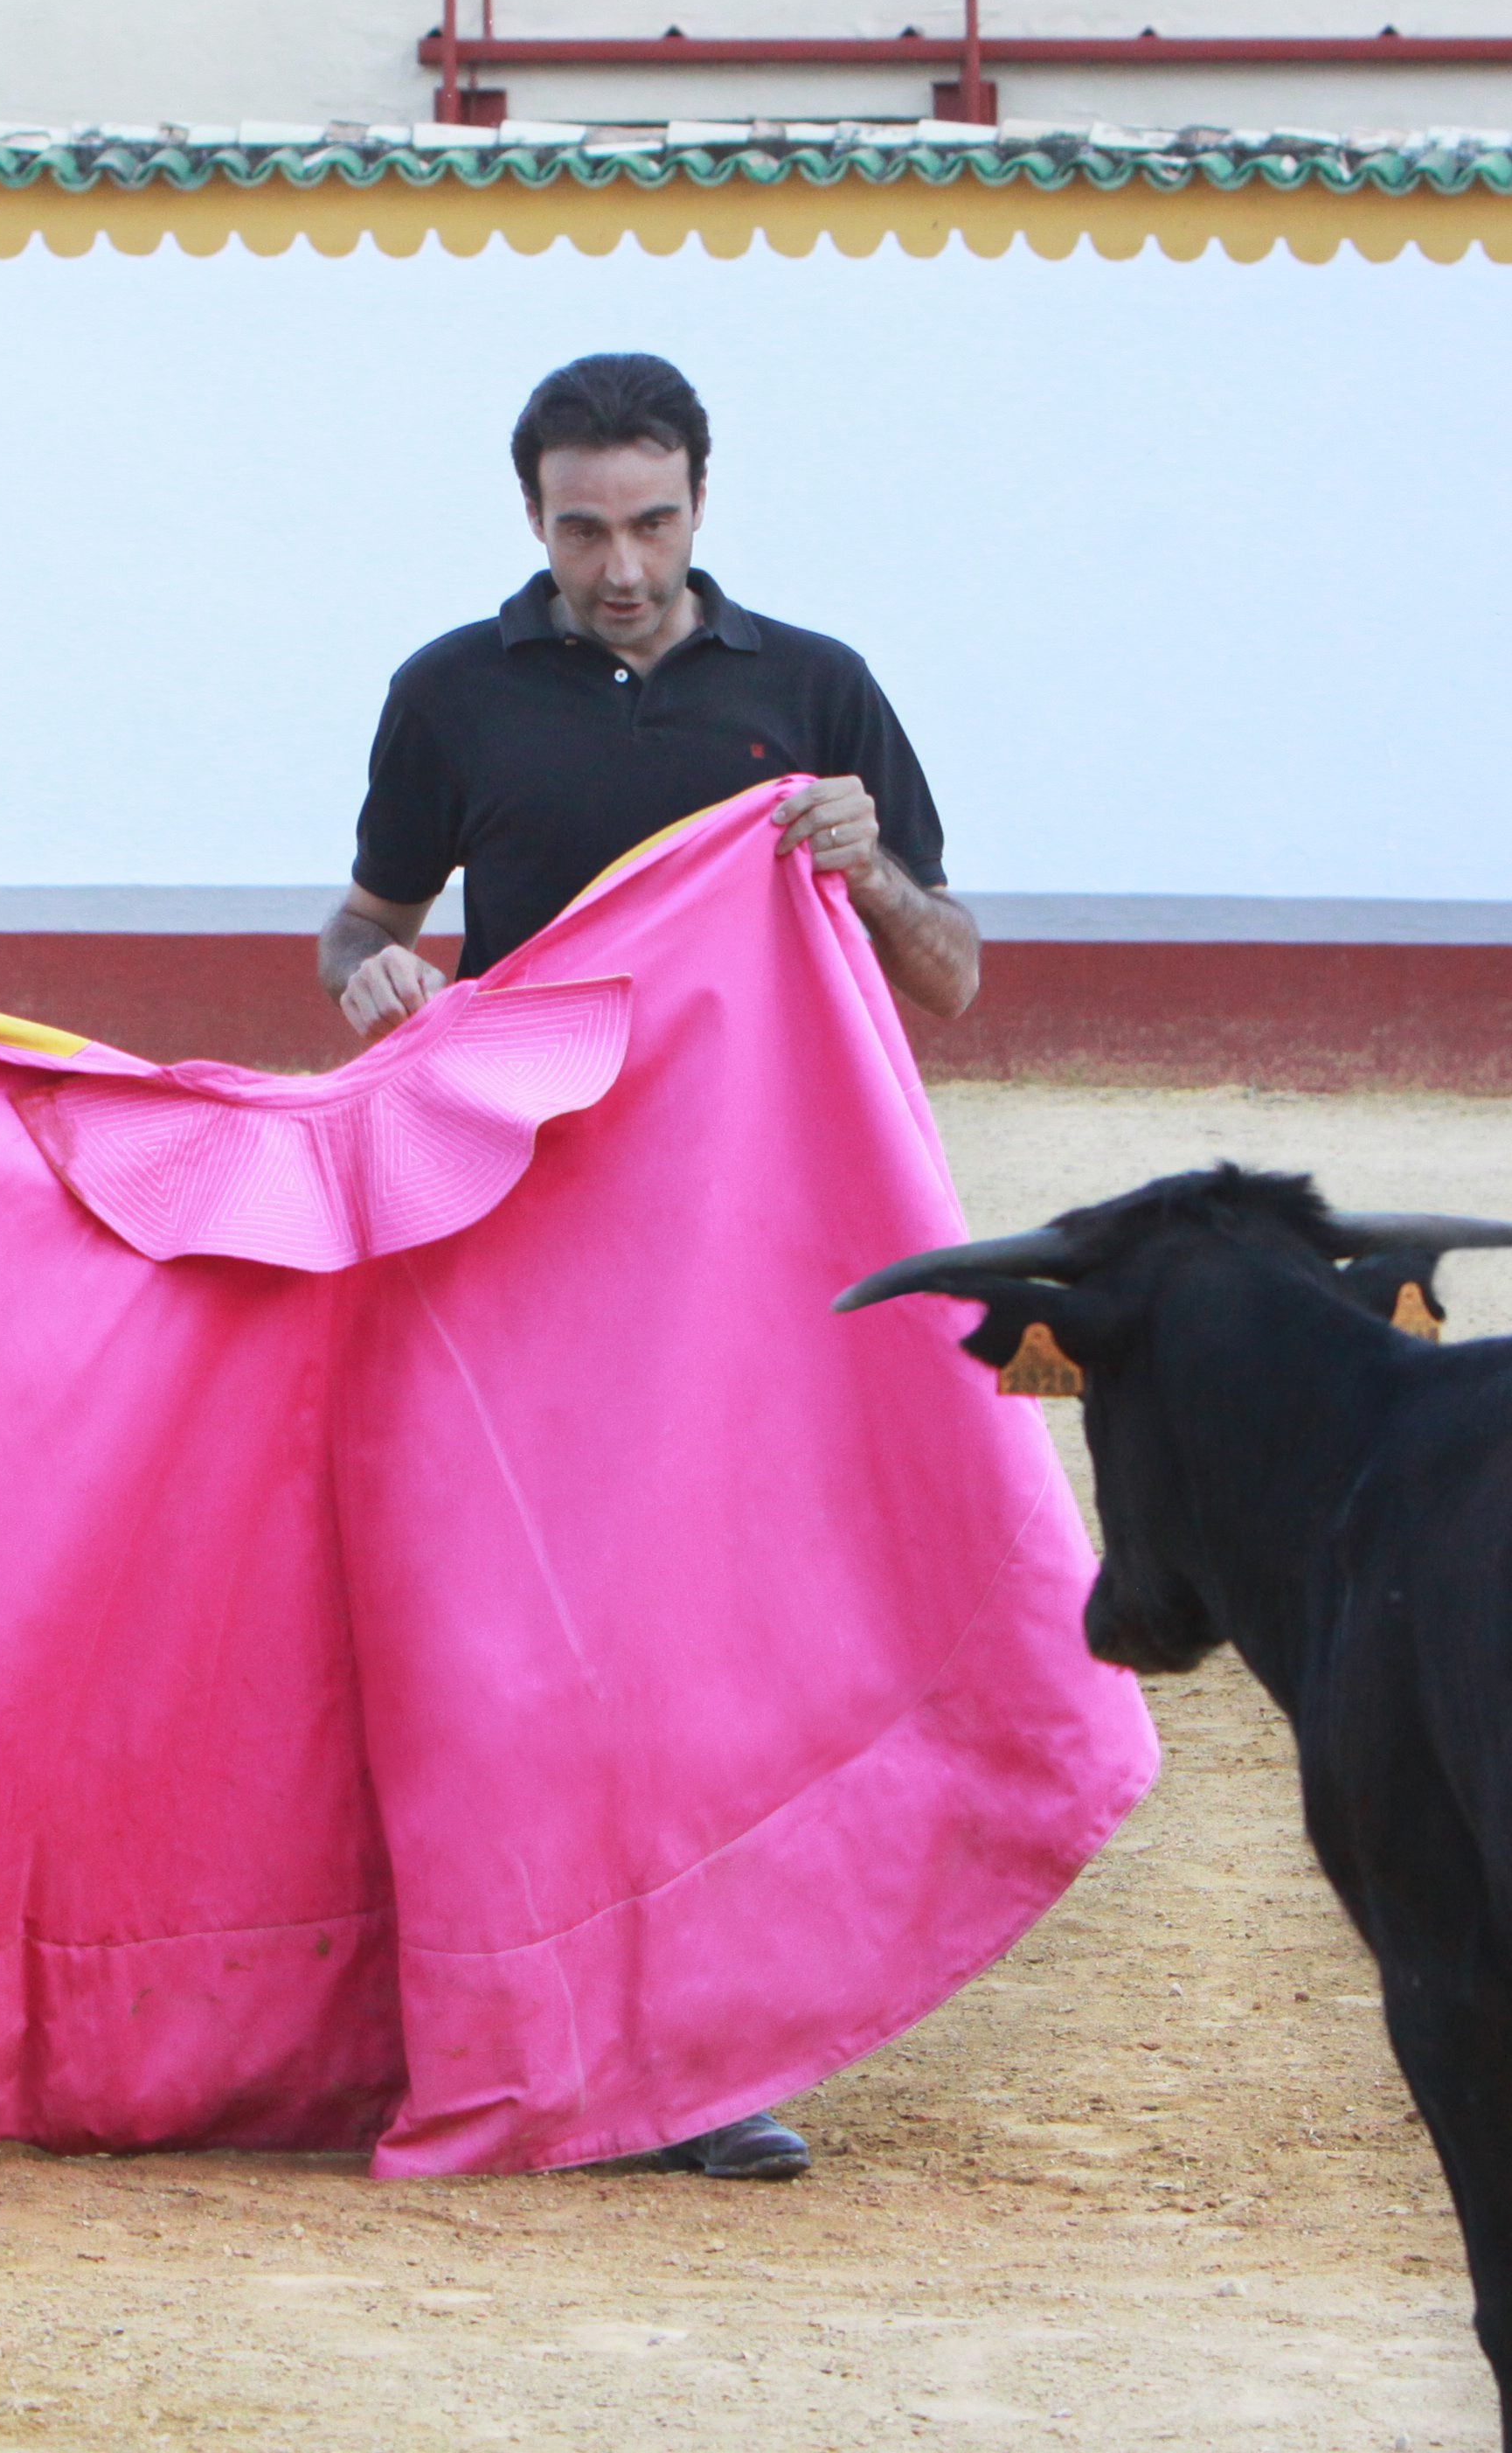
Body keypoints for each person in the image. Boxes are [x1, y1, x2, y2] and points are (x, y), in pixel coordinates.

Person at [317, 351, 983, 2182]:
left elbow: (955, 971)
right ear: (530, 518)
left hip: (746, 1247)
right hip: (524, 1242)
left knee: (718, 1648)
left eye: (653, 522)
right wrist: (370, 979)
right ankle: (532, 2025)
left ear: (705, 501)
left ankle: (706, 2058)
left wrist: (870, 874)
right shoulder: (451, 693)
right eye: (583, 527)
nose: (620, 564)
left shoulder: (813, 689)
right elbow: (362, 921)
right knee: (529, 1651)